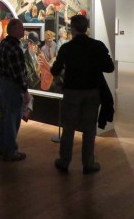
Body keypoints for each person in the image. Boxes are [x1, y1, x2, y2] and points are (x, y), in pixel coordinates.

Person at [51, 15, 114, 174]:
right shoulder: (97, 46)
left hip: (71, 92)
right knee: (89, 129)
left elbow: (55, 70)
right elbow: (109, 67)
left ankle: (64, 161)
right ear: (86, 28)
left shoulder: (66, 48)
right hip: (92, 92)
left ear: (72, 28)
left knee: (68, 128)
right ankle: (88, 163)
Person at [0, 19, 28, 161]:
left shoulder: (4, 43)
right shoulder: (15, 48)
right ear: (14, 29)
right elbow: (18, 73)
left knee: (4, 117)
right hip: (12, 86)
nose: (23, 30)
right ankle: (10, 151)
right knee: (12, 119)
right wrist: (25, 90)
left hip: (3, 82)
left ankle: (3, 147)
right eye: (21, 27)